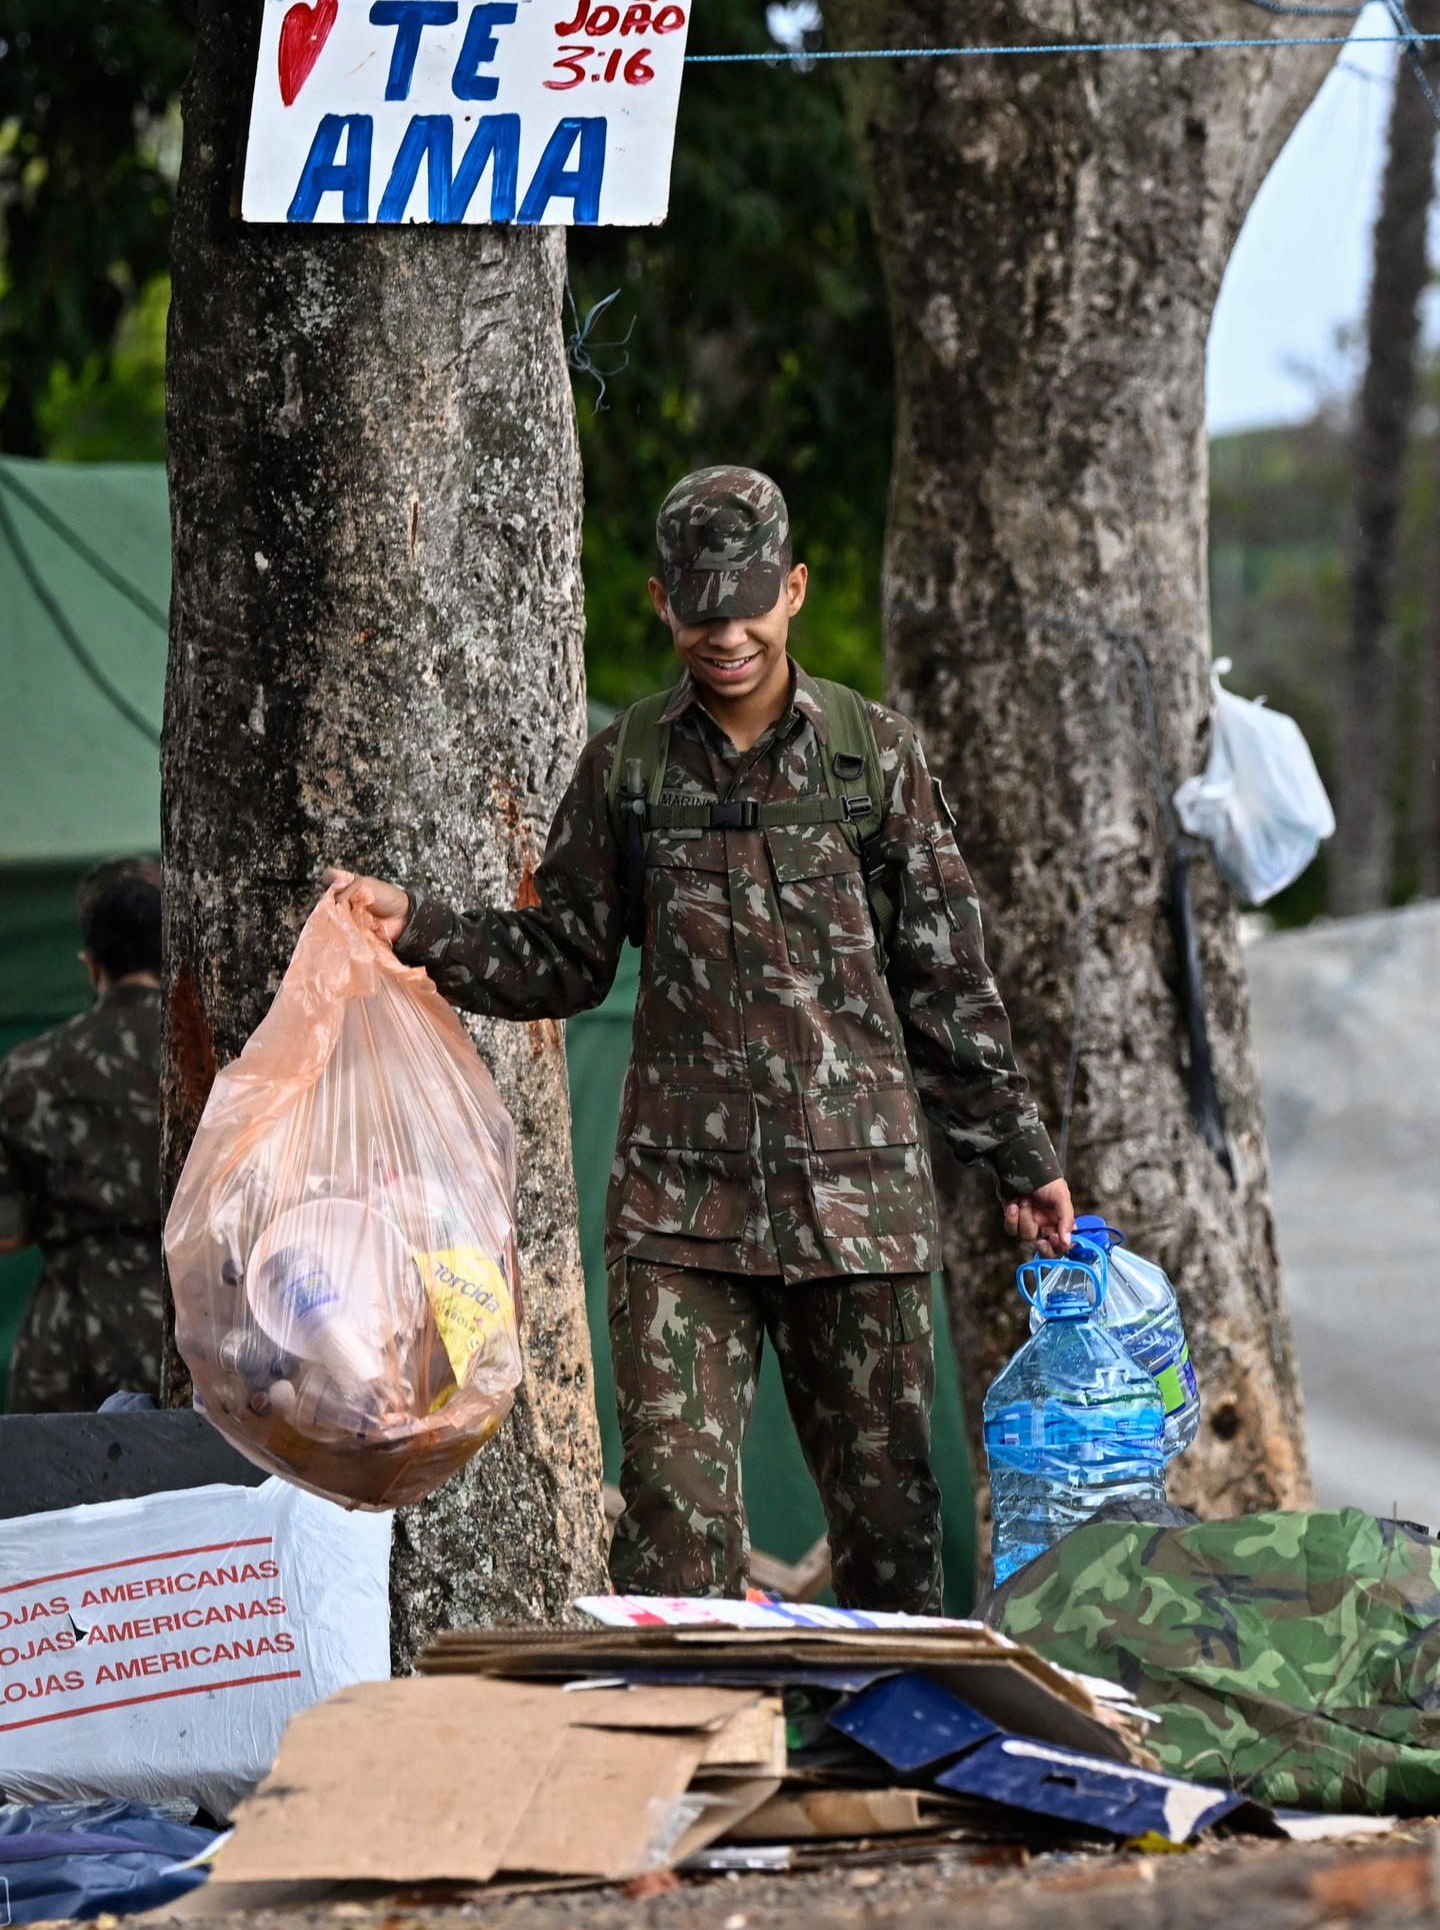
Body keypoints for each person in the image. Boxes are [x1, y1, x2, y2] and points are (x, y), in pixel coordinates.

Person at [340, 467, 1074, 1610]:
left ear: (792, 591)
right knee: (675, 1538)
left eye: (746, 607)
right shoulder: (628, 767)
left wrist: (1020, 1162)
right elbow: (566, 958)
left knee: (890, 1542)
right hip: (681, 1218)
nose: (724, 636)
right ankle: (672, 1775)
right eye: (698, 612)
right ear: (657, 602)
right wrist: (421, 926)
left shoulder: (872, 758)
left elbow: (946, 984)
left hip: (857, 1216)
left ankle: (890, 1780)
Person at [0, 858, 163, 1412]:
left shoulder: (29, 1070)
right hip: (193, 1334)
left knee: (54, 1494)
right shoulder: (222, 1059)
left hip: (69, 1344)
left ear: (91, 965)